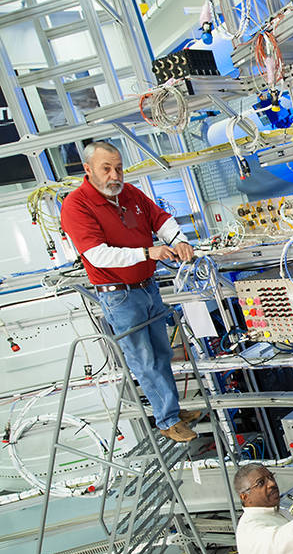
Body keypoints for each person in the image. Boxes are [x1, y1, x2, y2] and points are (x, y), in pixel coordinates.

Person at [61, 140, 200, 443]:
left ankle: (173, 411)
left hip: (148, 287)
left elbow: (159, 219)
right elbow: (98, 255)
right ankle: (167, 420)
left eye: (119, 168)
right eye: (106, 169)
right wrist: (148, 253)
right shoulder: (76, 205)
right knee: (144, 360)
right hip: (119, 295)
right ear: (88, 170)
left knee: (162, 353)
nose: (115, 176)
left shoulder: (130, 194)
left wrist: (178, 240)